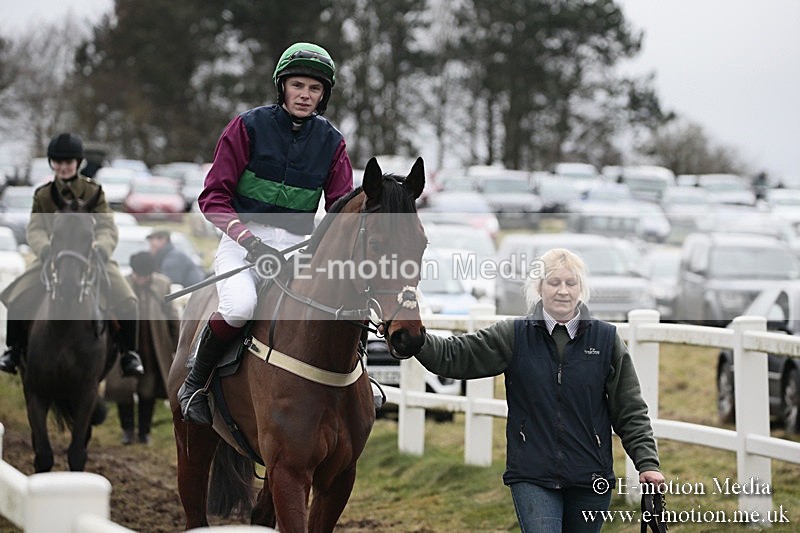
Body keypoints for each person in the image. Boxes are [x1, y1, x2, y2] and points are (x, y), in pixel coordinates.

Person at [413, 248, 665, 532]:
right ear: (539, 287)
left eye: (571, 283)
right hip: (532, 473)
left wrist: (647, 463)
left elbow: (630, 409)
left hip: (591, 475)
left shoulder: (606, 340)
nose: (563, 291)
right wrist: (416, 340)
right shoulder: (514, 335)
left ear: (581, 289)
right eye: (554, 282)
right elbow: (457, 356)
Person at [178, 42, 354, 425]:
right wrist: (249, 241)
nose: (305, 95)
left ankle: (354, 387)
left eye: (314, 89)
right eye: (298, 86)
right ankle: (195, 383)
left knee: (332, 307)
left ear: (323, 96)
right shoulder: (246, 127)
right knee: (240, 307)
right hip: (243, 241)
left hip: (297, 246)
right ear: (283, 86)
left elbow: (340, 208)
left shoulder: (333, 143)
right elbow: (213, 198)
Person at [0, 132, 144, 377]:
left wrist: (100, 247)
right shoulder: (43, 195)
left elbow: (107, 227)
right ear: (51, 163)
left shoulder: (94, 191)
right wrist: (45, 249)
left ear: (78, 163)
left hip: (91, 257)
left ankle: (129, 353)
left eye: (67, 162)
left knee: (128, 301)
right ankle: (13, 350)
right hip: (52, 259)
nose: (62, 167)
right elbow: (35, 228)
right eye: (57, 162)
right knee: (16, 297)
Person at [107, 251, 180, 444]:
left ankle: (144, 432)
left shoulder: (163, 284)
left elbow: (173, 317)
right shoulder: (121, 284)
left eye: (145, 275)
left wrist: (175, 345)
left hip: (152, 349)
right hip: (127, 348)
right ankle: (128, 430)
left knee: (148, 392)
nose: (142, 279)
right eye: (138, 275)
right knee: (123, 390)